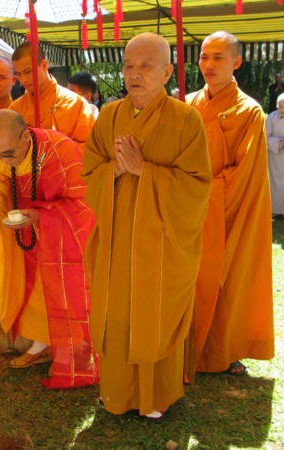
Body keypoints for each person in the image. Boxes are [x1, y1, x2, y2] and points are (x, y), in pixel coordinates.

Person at [82, 32, 212, 419]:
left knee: (155, 316)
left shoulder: (186, 119)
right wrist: (114, 171)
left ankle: (157, 396)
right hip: (116, 240)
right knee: (117, 315)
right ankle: (116, 393)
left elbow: (197, 188)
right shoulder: (109, 117)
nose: (134, 74)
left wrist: (144, 171)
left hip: (160, 244)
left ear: (167, 72)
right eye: (128, 66)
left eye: (145, 66)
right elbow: (89, 173)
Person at [0, 109, 99, 388]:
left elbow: (83, 201)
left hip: (63, 238)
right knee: (31, 288)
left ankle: (72, 350)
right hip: (24, 236)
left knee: (62, 290)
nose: (4, 160)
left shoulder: (60, 149)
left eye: (9, 154)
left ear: (25, 137)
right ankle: (40, 344)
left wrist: (42, 216)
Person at [186, 31, 274, 376]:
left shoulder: (249, 111)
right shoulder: (188, 104)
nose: (208, 64)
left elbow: (244, 171)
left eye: (217, 57)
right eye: (204, 56)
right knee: (189, 279)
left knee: (228, 278)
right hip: (187, 210)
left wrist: (201, 193)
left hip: (227, 209)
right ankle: (185, 344)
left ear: (236, 62)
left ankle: (226, 350)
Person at [9, 42, 95, 148]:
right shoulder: (15, 109)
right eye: (18, 74)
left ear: (44, 65)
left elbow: (89, 148)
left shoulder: (75, 104)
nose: (23, 80)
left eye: (28, 72)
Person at [267, 93, 284, 219]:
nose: (281, 109)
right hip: (274, 157)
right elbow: (264, 137)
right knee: (274, 183)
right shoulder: (271, 117)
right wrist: (278, 143)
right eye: (280, 106)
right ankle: (273, 209)